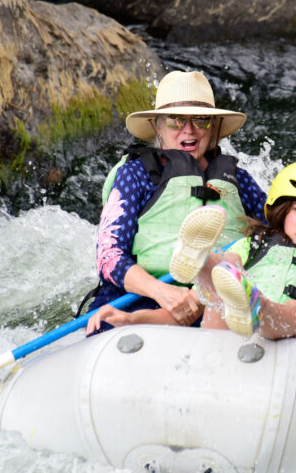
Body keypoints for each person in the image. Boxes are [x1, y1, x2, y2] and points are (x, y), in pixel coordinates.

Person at [92, 161, 296, 347]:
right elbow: (186, 312)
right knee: (221, 286)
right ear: (281, 212)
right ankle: (203, 262)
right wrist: (130, 318)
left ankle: (247, 298)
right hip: (234, 348)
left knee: (294, 311)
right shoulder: (255, 245)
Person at [83, 70, 266, 329]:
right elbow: (108, 256)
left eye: (201, 120)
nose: (188, 130)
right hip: (140, 299)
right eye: (175, 120)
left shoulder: (238, 179)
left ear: (213, 127)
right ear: (157, 126)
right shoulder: (135, 174)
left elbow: (282, 230)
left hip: (215, 300)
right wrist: (162, 292)